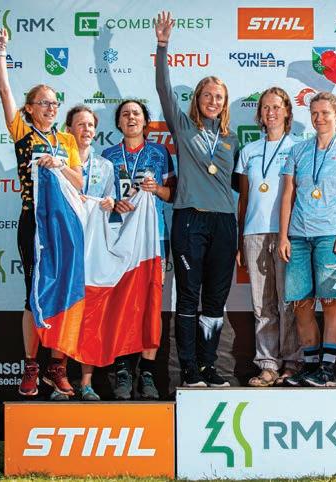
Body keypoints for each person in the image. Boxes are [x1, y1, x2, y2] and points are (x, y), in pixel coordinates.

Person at [236, 88, 336, 387]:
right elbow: (255, 198)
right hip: (272, 233)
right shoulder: (260, 150)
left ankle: (302, 364)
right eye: (265, 107)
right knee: (276, 304)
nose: (271, 112)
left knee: (308, 302)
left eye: (277, 107)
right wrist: (245, 239)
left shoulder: (306, 146)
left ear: (288, 111)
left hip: (308, 233)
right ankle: (274, 365)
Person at [0, 27, 83, 398]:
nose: (51, 108)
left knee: (63, 292)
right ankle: (31, 366)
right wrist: (1, 52)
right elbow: (4, 92)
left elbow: (79, 181)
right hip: (33, 221)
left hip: (64, 225)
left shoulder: (67, 140)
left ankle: (57, 367)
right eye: (43, 102)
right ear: (30, 108)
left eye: (55, 103)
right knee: (32, 294)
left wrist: (59, 165)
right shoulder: (22, 133)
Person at [155, 11, 240, 387]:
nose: (213, 101)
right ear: (197, 99)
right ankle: (188, 367)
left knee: (215, 301)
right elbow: (163, 88)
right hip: (189, 219)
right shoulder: (183, 126)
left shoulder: (232, 138)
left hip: (224, 223)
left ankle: (208, 365)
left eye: (219, 97)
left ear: (225, 103)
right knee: (188, 297)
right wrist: (162, 45)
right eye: (207, 95)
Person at [278, 92, 336, 387]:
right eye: (314, 113)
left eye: (325, 113)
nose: (319, 118)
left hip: (331, 235)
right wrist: (283, 236)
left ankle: (327, 369)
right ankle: (311, 365)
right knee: (301, 304)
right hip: (299, 236)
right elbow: (287, 195)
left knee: (330, 301)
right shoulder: (298, 150)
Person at [101, 99, 175, 400]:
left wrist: (156, 189)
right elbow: (99, 199)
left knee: (150, 305)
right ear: (118, 122)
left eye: (136, 113)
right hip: (117, 239)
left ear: (145, 121)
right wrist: (112, 204)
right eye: (125, 114)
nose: (131, 118)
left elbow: (172, 194)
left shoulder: (160, 153)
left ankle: (147, 372)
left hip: (152, 240)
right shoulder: (107, 156)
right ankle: (122, 369)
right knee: (120, 303)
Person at [64, 105, 115, 401]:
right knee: (65, 313)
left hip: (94, 250)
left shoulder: (105, 166)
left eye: (91, 125)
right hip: (66, 248)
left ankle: (86, 383)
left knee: (91, 317)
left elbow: (112, 203)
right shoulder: (58, 162)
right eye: (81, 124)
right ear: (68, 129)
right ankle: (59, 379)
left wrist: (108, 202)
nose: (86, 130)